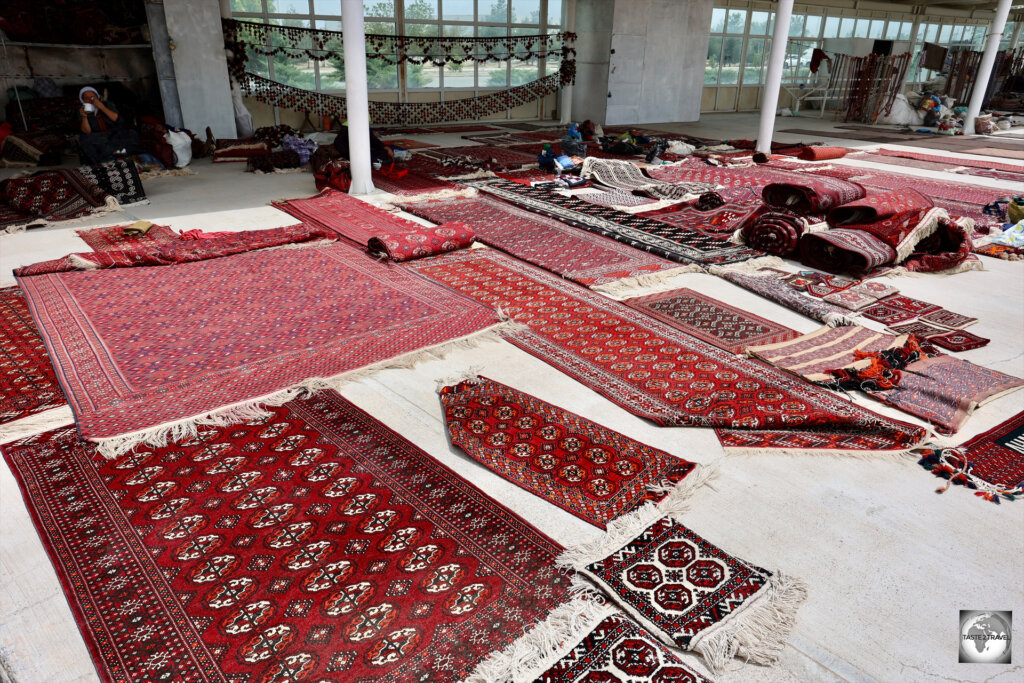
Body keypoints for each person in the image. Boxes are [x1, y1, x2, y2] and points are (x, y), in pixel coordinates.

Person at [78, 86, 140, 164]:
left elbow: (116, 119)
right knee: (85, 139)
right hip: (97, 137)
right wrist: (84, 116)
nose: (91, 100)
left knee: (132, 133)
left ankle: (131, 157)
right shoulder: (82, 111)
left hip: (113, 133)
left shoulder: (107, 104)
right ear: (83, 100)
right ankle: (101, 162)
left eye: (93, 97)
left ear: (97, 97)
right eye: (86, 98)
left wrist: (102, 107)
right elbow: (87, 131)